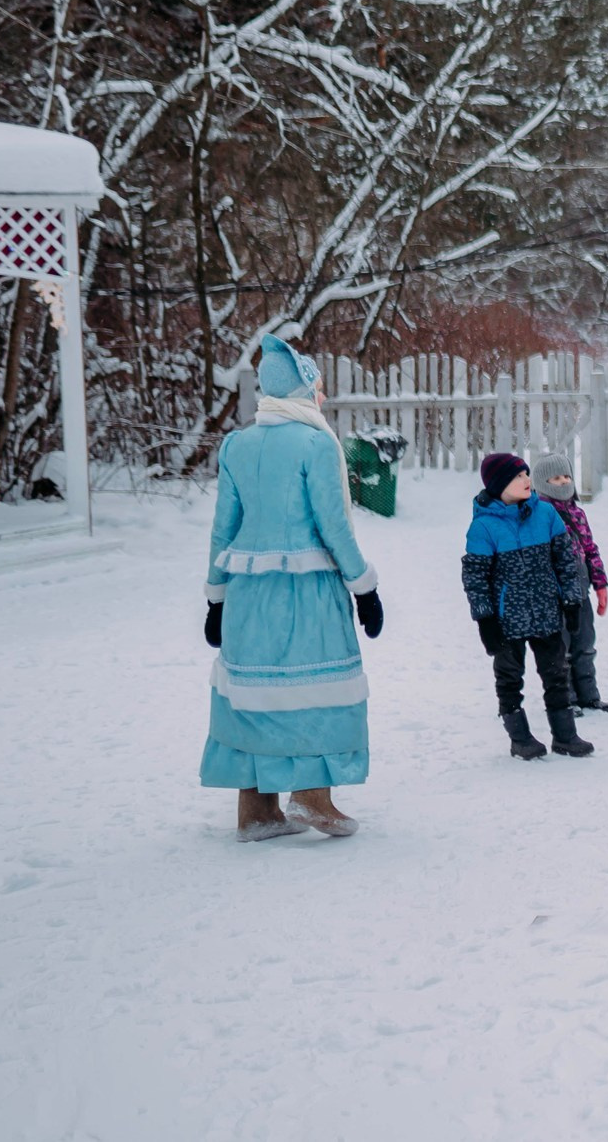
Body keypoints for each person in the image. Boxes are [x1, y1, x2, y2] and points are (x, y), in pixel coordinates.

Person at [200, 334, 382, 841]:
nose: (321, 397)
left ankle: (256, 811)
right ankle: (311, 797)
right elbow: (334, 526)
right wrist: (363, 587)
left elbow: (223, 527)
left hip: (248, 596)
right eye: (317, 387)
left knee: (256, 692)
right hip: (308, 592)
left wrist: (215, 596)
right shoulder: (315, 442)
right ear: (302, 390)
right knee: (313, 686)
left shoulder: (237, 443)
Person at [464, 451, 592, 761]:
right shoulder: (483, 527)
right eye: (518, 476)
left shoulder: (546, 514)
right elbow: (475, 577)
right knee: (509, 677)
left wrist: (572, 600)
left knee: (556, 673)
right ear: (498, 485)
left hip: (546, 612)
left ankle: (565, 735)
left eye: (526, 474)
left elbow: (565, 561)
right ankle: (520, 737)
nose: (526, 480)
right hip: (507, 620)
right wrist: (485, 620)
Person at [532, 453, 608, 714]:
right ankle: (566, 698)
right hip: (554, 597)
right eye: (556, 478)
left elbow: (590, 549)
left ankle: (589, 695)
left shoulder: (578, 513)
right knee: (561, 648)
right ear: (542, 483)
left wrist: (600, 583)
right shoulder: (538, 515)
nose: (564, 482)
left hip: (581, 593)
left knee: (585, 643)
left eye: (567, 476)